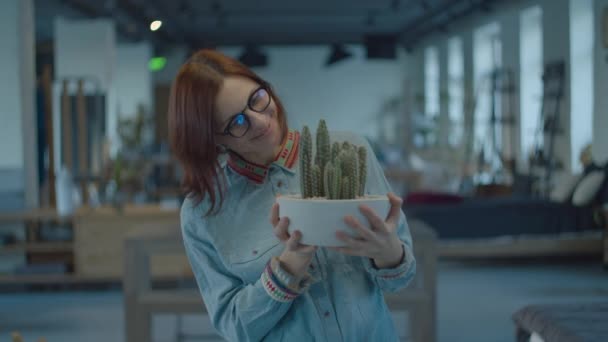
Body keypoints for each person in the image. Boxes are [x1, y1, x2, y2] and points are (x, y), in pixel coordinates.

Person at [169, 49, 416, 342]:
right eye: (237, 123)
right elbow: (234, 327)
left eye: (257, 99)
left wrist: (388, 253)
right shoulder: (203, 212)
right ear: (213, 139)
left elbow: (402, 278)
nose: (260, 121)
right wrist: (287, 268)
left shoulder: (352, 151)